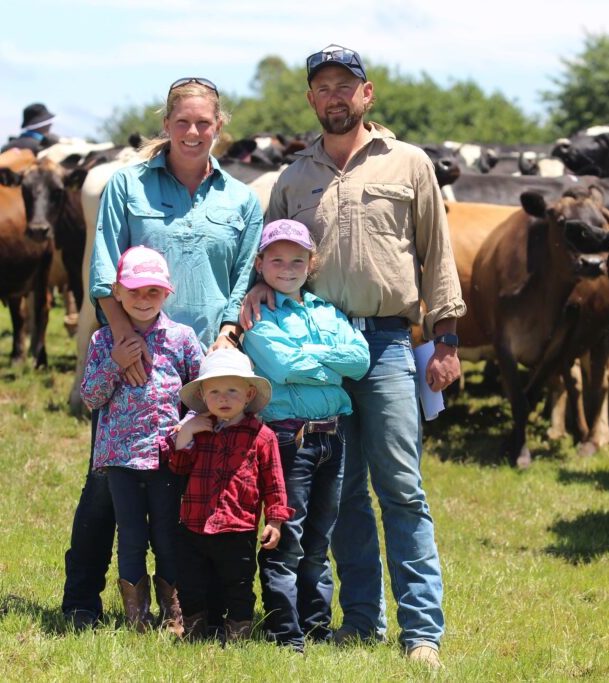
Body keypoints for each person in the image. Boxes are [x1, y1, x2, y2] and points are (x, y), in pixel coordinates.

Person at [241, 44, 465, 668]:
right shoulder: (293, 177)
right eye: (323, 87)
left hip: (390, 342)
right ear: (312, 99)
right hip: (316, 349)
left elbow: (437, 255)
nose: (335, 96)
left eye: (347, 85)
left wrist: (445, 339)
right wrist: (260, 286)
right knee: (341, 493)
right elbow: (272, 255)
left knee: (402, 485)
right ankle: (362, 622)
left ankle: (422, 632)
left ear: (367, 95)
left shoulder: (409, 164)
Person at [61, 76, 264, 630]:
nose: (194, 132)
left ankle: (194, 606)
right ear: (166, 125)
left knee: (189, 490)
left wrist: (228, 336)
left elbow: (244, 278)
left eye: (204, 123)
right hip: (134, 365)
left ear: (219, 127)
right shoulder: (127, 187)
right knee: (109, 483)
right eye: (183, 122)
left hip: (203, 370)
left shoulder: (241, 200)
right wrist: (124, 339)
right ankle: (82, 597)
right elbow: (105, 272)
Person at [240, 219, 370, 652]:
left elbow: (361, 359)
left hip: (331, 437)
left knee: (320, 535)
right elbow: (282, 367)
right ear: (260, 264)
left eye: (297, 259)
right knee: (287, 532)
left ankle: (316, 626)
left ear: (311, 264)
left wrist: (312, 359)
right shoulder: (258, 314)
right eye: (276, 259)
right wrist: (330, 369)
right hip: (288, 438)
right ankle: (285, 632)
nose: (287, 267)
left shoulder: (326, 311)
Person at [79, 245, 201, 634]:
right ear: (117, 293)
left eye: (153, 292)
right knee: (130, 537)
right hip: (121, 461)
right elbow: (90, 397)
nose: (143, 301)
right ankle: (137, 618)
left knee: (167, 535)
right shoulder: (102, 342)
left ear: (167, 293)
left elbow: (200, 391)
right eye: (134, 292)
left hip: (168, 457)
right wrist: (116, 362)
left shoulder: (181, 338)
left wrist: (191, 428)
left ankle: (173, 615)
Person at [162, 348, 294, 642]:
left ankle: (238, 633)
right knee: (191, 583)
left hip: (238, 527)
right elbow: (178, 466)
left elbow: (274, 482)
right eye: (215, 391)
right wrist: (186, 432)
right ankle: (195, 631)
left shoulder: (262, 436)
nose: (223, 398)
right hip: (194, 525)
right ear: (204, 396)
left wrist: (274, 520)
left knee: (237, 583)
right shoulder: (200, 430)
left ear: (248, 395)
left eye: (232, 390)